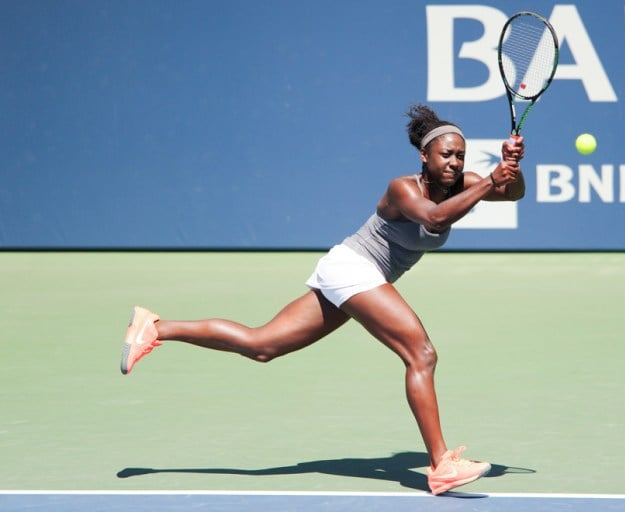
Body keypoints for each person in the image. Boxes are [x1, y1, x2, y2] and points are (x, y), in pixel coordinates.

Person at [120, 104, 525, 495]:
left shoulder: (466, 184)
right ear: (424, 155)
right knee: (421, 354)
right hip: (353, 268)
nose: (455, 162)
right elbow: (435, 217)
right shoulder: (402, 188)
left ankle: (155, 328)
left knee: (263, 346)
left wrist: (511, 169)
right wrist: (492, 180)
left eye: (460, 155)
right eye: (446, 154)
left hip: (358, 277)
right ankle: (441, 466)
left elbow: (512, 195)